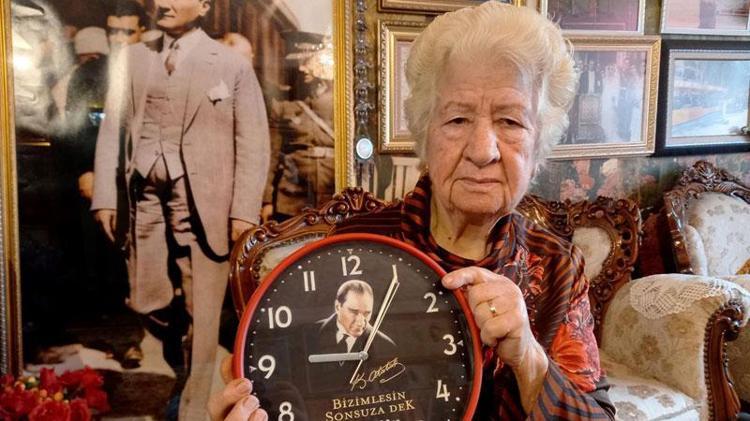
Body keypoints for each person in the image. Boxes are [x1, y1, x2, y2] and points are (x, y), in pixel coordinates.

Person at [210, 3, 615, 420]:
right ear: (425, 133)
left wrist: (529, 359)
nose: (482, 150)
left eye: (511, 121)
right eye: (457, 119)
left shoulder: (556, 267)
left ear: (539, 142)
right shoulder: (355, 248)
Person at [91, 0, 270, 419]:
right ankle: (177, 363)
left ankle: (193, 407)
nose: (163, 2)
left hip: (207, 206)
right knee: (147, 298)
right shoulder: (133, 58)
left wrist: (243, 211)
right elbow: (112, 128)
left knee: (203, 314)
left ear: (204, 6)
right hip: (144, 200)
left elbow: (253, 141)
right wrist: (105, 195)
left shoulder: (230, 64)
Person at [314, 280, 395, 354]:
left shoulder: (386, 346)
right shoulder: (311, 334)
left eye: (367, 313)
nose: (360, 322)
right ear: (338, 307)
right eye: (354, 312)